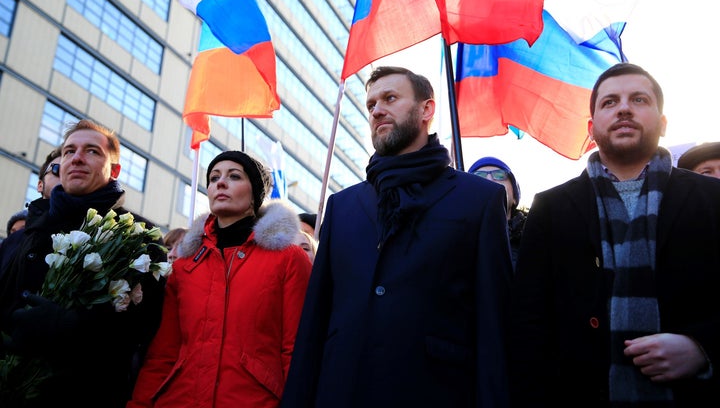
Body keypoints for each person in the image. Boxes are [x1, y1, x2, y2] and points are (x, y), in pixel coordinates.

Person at [281, 66, 512, 408]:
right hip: (341, 391)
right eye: (371, 104)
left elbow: (495, 326)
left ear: (426, 110)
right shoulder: (342, 205)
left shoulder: (479, 199)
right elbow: (315, 323)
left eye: (390, 98)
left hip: (435, 392)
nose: (377, 110)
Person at [508, 63, 720, 406]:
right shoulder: (551, 207)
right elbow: (529, 325)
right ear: (592, 129)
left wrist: (703, 349)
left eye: (638, 99)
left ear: (663, 124)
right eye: (609, 102)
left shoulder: (711, 199)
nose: (623, 108)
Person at [0, 119, 165, 408]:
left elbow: (143, 329)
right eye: (69, 151)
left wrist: (68, 327)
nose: (77, 158)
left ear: (114, 170)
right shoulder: (22, 235)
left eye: (92, 151)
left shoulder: (139, 238)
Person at [129, 150, 313, 408]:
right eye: (214, 178)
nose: (220, 183)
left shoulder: (288, 259)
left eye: (234, 176)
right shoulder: (184, 266)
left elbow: (296, 351)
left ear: (255, 194)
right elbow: (163, 352)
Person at [0, 148, 61, 275]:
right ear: (40, 185)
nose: (66, 175)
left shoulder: (95, 234)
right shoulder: (11, 243)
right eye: (58, 170)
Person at [468, 156, 526, 271]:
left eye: (499, 175)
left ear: (514, 196)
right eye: (478, 176)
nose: (490, 181)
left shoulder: (536, 237)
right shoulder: (454, 240)